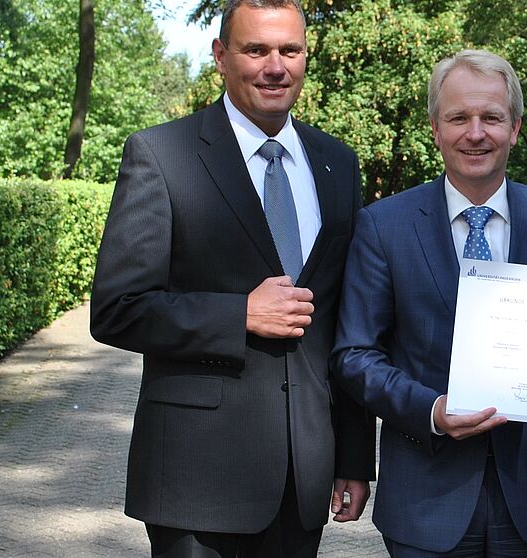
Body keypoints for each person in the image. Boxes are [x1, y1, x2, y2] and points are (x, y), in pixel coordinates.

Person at [89, 1, 375, 556]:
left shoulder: (337, 163)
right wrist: (238, 314)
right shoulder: (160, 154)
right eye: (256, 50)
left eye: (290, 50)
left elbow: (347, 323)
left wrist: (354, 457)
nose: (275, 66)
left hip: (303, 478)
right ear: (221, 56)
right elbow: (117, 307)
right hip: (197, 479)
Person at [331, 49, 527, 557]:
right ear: (436, 128)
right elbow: (354, 354)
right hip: (424, 494)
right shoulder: (384, 226)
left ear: (515, 128)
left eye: (491, 118)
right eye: (458, 117)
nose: (475, 132)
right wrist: (432, 410)